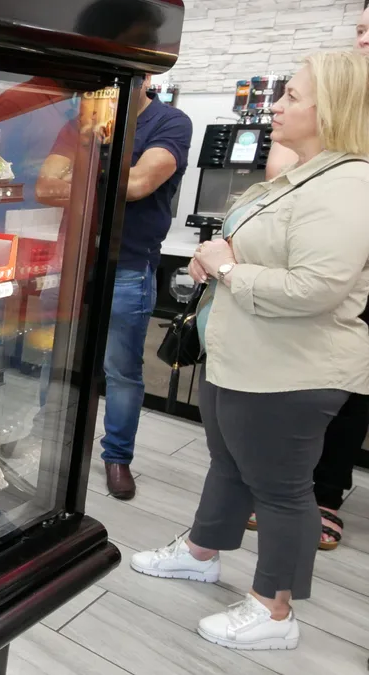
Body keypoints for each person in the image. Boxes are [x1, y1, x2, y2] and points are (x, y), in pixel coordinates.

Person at [131, 50, 369, 651]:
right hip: (243, 356)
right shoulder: (304, 174)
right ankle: (200, 551)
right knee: (230, 463)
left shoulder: (350, 184)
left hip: (290, 368)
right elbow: (250, 238)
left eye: (291, 95)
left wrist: (230, 270)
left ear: (332, 106)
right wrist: (217, 259)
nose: (275, 105)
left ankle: (275, 611)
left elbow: (317, 288)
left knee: (284, 487)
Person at [247, 5, 369, 551]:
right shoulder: (326, 85)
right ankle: (283, 488)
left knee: (346, 375)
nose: (364, 35)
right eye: (362, 26)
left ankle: (321, 493)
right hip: (317, 241)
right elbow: (281, 171)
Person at [37, 74, 192, 499]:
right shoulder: (81, 125)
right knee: (58, 352)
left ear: (142, 79)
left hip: (128, 264)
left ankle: (117, 457)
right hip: (73, 262)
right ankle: (45, 433)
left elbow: (142, 185)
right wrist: (104, 173)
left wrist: (84, 174)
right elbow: (45, 187)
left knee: (121, 370)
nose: (100, 94)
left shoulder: (169, 123)